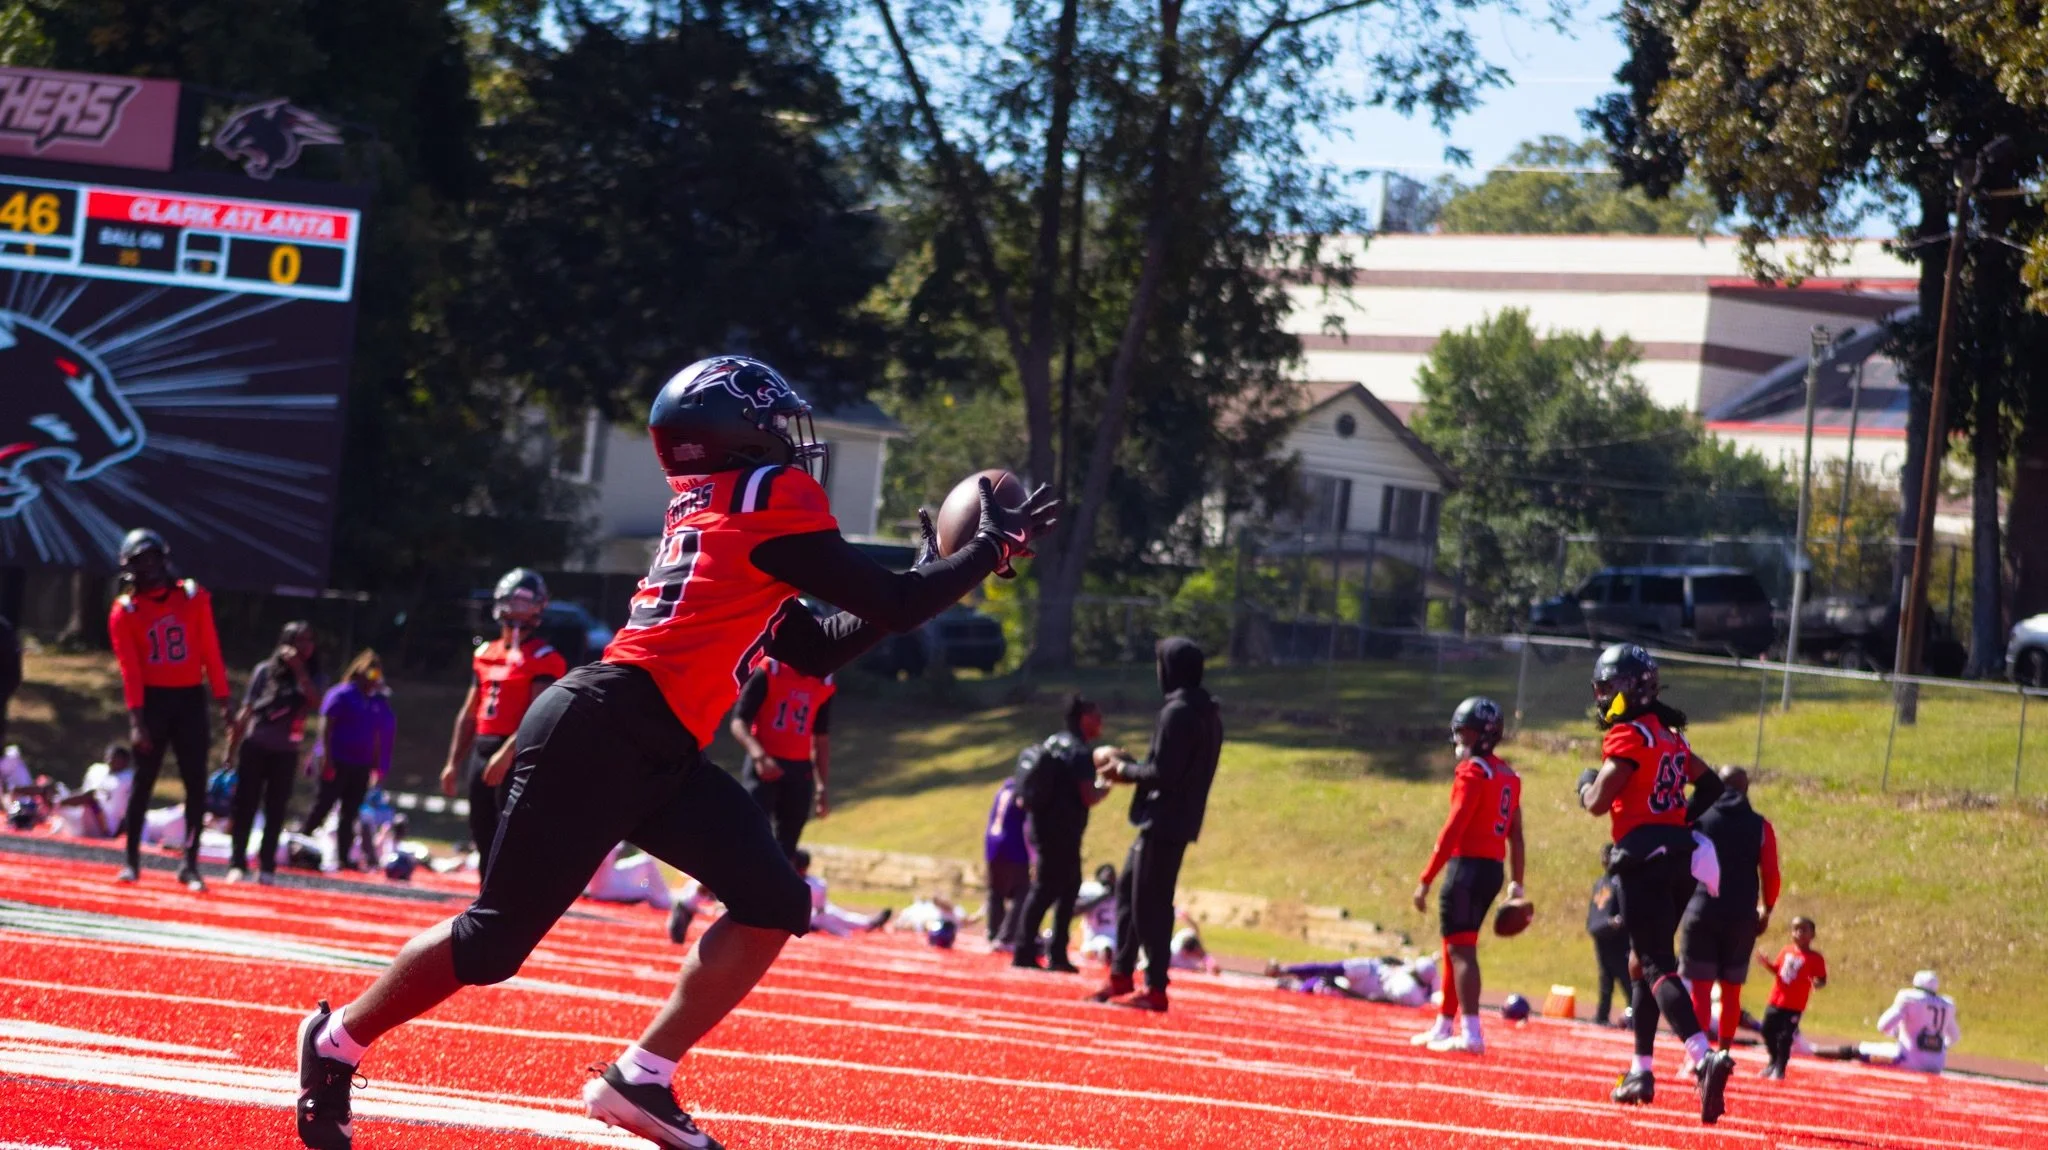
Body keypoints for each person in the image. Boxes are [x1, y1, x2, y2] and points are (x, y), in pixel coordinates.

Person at [292, 355, 1057, 1150]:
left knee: (773, 902)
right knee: (492, 943)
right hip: (602, 729)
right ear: (733, 436)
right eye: (770, 423)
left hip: (657, 746)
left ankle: (641, 1077)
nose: (788, 440)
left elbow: (818, 649)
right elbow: (898, 605)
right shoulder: (769, 499)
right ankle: (336, 1038)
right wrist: (982, 552)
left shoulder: (718, 509)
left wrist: (941, 569)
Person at [1576, 643, 1735, 1123]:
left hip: (1643, 857)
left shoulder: (1628, 736)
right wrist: (1675, 820)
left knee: (1654, 962)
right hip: (1678, 857)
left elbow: (1599, 801)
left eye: (1606, 687)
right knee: (1640, 962)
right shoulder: (1669, 737)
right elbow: (1712, 786)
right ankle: (1641, 1069)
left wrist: (1583, 784)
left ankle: (1702, 1055)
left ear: (1626, 687)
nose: (1602, 697)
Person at [1090, 637, 1223, 1013]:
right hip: (1178, 819)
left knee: (1150, 903)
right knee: (1131, 891)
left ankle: (1155, 986)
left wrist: (1122, 770)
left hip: (1164, 820)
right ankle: (1121, 973)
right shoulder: (1208, 712)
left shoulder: (1178, 712)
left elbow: (1162, 773)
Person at [106, 528, 231, 892]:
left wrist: (224, 699)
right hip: (153, 699)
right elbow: (130, 669)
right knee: (143, 782)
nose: (148, 567)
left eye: (152, 559)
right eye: (140, 561)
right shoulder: (125, 610)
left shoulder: (192, 597)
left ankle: (190, 864)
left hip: (190, 698)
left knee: (195, 783)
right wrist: (137, 720)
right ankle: (130, 859)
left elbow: (210, 651)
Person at [1410, 696, 1523, 1055]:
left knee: (1461, 951)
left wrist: (1426, 877)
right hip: (1492, 869)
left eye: (1467, 732)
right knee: (1454, 947)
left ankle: (1472, 1031)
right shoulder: (1507, 774)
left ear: (1485, 735)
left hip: (1467, 868)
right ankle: (1445, 1024)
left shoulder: (1473, 772)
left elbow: (1454, 827)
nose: (1460, 738)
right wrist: (1516, 881)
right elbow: (1516, 835)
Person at [441, 569, 566, 881]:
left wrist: (508, 753)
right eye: (512, 602)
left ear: (538, 607)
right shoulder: (485, 652)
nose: (516, 610)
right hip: (483, 748)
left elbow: (538, 716)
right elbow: (469, 713)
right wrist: (452, 763)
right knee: (481, 829)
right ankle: (484, 899)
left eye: (524, 603)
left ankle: (504, 902)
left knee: (507, 834)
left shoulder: (544, 657)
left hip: (518, 752)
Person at [1680, 765, 1779, 1052]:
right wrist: (1767, 909)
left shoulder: (1698, 818)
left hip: (1701, 909)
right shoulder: (1761, 826)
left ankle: (1697, 1057)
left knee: (1700, 989)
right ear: (1746, 789)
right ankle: (1723, 1052)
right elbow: (1771, 873)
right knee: (1731, 992)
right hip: (1741, 915)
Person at [1010, 695, 1107, 971]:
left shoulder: (1054, 742)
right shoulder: (1079, 752)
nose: (1101, 720)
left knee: (1066, 887)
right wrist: (1109, 782)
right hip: (1061, 831)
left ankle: (1050, 951)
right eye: (1095, 714)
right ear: (1082, 717)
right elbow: (1088, 795)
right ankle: (1027, 950)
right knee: (1048, 890)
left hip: (1043, 826)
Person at [225, 622, 320, 885]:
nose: (305, 646)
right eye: (299, 640)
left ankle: (266, 865)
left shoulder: (311, 675)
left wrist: (300, 670)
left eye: (309, 641)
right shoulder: (265, 671)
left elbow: (316, 702)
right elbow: (247, 709)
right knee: (245, 806)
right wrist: (231, 747)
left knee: (276, 809)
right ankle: (237, 862)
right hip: (256, 746)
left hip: (285, 752)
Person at [300, 651, 395, 874]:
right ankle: (299, 844)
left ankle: (344, 858)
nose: (374, 678)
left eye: (377, 673)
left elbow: (379, 734)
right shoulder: (341, 694)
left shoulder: (374, 702)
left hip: (360, 764)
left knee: (350, 813)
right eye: (370, 672)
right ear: (359, 672)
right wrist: (326, 759)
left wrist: (376, 765)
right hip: (337, 760)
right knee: (323, 805)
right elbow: (326, 727)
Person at [729, 655, 834, 857]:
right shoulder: (770, 670)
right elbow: (738, 722)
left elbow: (820, 738)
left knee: (787, 847)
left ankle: (773, 888)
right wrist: (759, 756)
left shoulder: (823, 681)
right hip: (764, 766)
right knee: (753, 835)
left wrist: (822, 786)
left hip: (799, 771)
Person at [1820, 970, 1959, 1074]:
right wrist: (1937, 1046)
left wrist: (1896, 1033)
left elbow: (1883, 1026)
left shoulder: (1909, 998)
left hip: (1907, 1061)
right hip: (1937, 1063)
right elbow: (1954, 1037)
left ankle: (1814, 1052)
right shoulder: (1947, 1004)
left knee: (1857, 1051)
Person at [1756, 917, 1826, 1080]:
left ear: (1812, 934)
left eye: (1804, 930)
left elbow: (1822, 979)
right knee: (1766, 1029)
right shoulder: (1786, 951)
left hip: (1795, 1003)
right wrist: (1767, 964)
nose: (1799, 933)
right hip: (1776, 999)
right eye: (1796, 929)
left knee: (1785, 1036)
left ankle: (1780, 1068)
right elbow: (1779, 971)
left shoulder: (1815, 958)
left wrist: (1818, 983)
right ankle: (1773, 1061)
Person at [1265, 954, 1439, 1006]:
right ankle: (1284, 971)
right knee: (1328, 969)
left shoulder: (1409, 992)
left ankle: (1293, 983)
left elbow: (1375, 999)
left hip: (1367, 982)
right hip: (1372, 969)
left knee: (1325, 984)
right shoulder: (1418, 982)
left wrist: (1347, 993)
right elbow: (1393, 960)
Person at [792, 848, 891, 938]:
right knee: (838, 923)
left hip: (816, 917)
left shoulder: (816, 884)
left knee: (837, 917)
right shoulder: (811, 883)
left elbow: (819, 910)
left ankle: (868, 923)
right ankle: (868, 923)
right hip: (806, 918)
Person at [982, 773, 1029, 948]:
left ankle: (993, 931)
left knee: (996, 892)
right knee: (1022, 891)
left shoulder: (1003, 789)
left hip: (992, 844)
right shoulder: (1022, 792)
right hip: (1013, 845)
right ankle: (1007, 935)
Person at [1586, 843, 1630, 1027]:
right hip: (1603, 936)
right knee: (1606, 979)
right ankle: (1602, 1015)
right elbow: (1597, 909)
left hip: (1619, 939)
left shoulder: (1622, 882)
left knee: (1626, 978)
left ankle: (1634, 1015)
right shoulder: (1602, 882)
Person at [54, 743, 135, 839]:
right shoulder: (97, 769)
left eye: (115, 757)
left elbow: (130, 808)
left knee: (91, 798)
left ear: (125, 761)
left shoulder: (129, 778)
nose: (109, 759)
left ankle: (55, 804)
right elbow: (83, 791)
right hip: (82, 816)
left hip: (106, 825)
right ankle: (54, 806)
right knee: (52, 787)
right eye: (108, 755)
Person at [586, 843, 675, 911]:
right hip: (604, 888)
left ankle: (666, 896)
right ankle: (667, 902)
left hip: (611, 874)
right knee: (649, 891)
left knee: (647, 862)